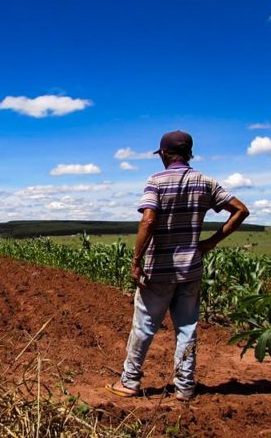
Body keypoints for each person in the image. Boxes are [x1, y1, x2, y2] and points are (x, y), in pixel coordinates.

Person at [106, 130, 249, 401]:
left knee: (144, 326)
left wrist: (136, 261)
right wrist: (210, 243)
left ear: (163, 154)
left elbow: (149, 220)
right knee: (187, 328)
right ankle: (185, 387)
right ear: (189, 154)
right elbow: (241, 210)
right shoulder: (206, 182)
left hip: (158, 270)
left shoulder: (156, 181)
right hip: (191, 269)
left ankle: (130, 381)